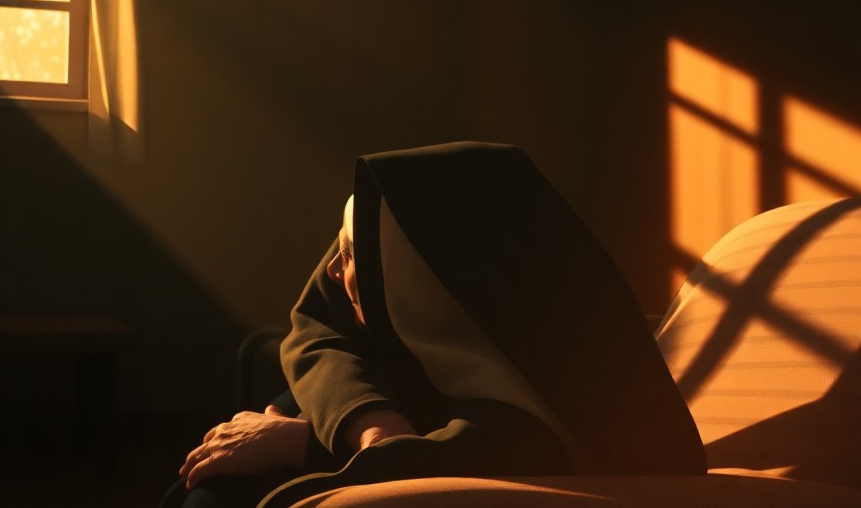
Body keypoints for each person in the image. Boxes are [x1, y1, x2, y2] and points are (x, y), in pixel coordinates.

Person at [162, 142, 705, 508]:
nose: (332, 268)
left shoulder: (531, 421)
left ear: (419, 283)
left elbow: (462, 457)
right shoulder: (417, 291)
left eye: (351, 255)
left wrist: (301, 439)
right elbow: (319, 314)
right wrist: (366, 421)